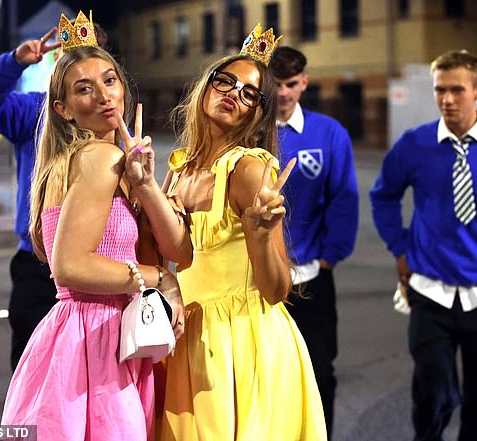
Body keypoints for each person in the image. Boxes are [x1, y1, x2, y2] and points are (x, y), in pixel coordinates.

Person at [125, 24, 327, 441]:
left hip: (244, 345)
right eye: (226, 81)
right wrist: (140, 191)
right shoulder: (179, 168)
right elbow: (171, 258)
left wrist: (259, 234)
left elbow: (276, 290)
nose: (234, 93)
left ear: (258, 112)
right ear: (206, 87)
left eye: (250, 93)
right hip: (188, 338)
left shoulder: (249, 169)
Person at [0, 12, 184, 440]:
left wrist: (146, 184)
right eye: (85, 88)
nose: (104, 95)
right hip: (97, 345)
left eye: (110, 80)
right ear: (62, 110)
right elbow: (69, 268)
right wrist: (156, 279)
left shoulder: (75, 162)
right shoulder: (100, 158)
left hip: (84, 338)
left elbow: (178, 246)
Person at [370, 50, 477, 441]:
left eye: (456, 90)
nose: (447, 99)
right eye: (439, 90)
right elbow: (383, 196)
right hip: (429, 293)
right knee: (433, 395)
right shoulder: (414, 145)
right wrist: (400, 246)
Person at [0, 23, 108, 371]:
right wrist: (16, 61)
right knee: (32, 366)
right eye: (68, 59)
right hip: (38, 261)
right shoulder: (34, 112)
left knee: (91, 374)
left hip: (98, 264)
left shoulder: (116, 125)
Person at [268, 46, 359, 437]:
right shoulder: (249, 131)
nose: (284, 92)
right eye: (276, 83)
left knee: (320, 370)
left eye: (291, 84)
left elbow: (344, 197)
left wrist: (329, 258)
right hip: (259, 280)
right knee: (268, 375)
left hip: (310, 275)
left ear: (303, 83)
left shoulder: (328, 134)